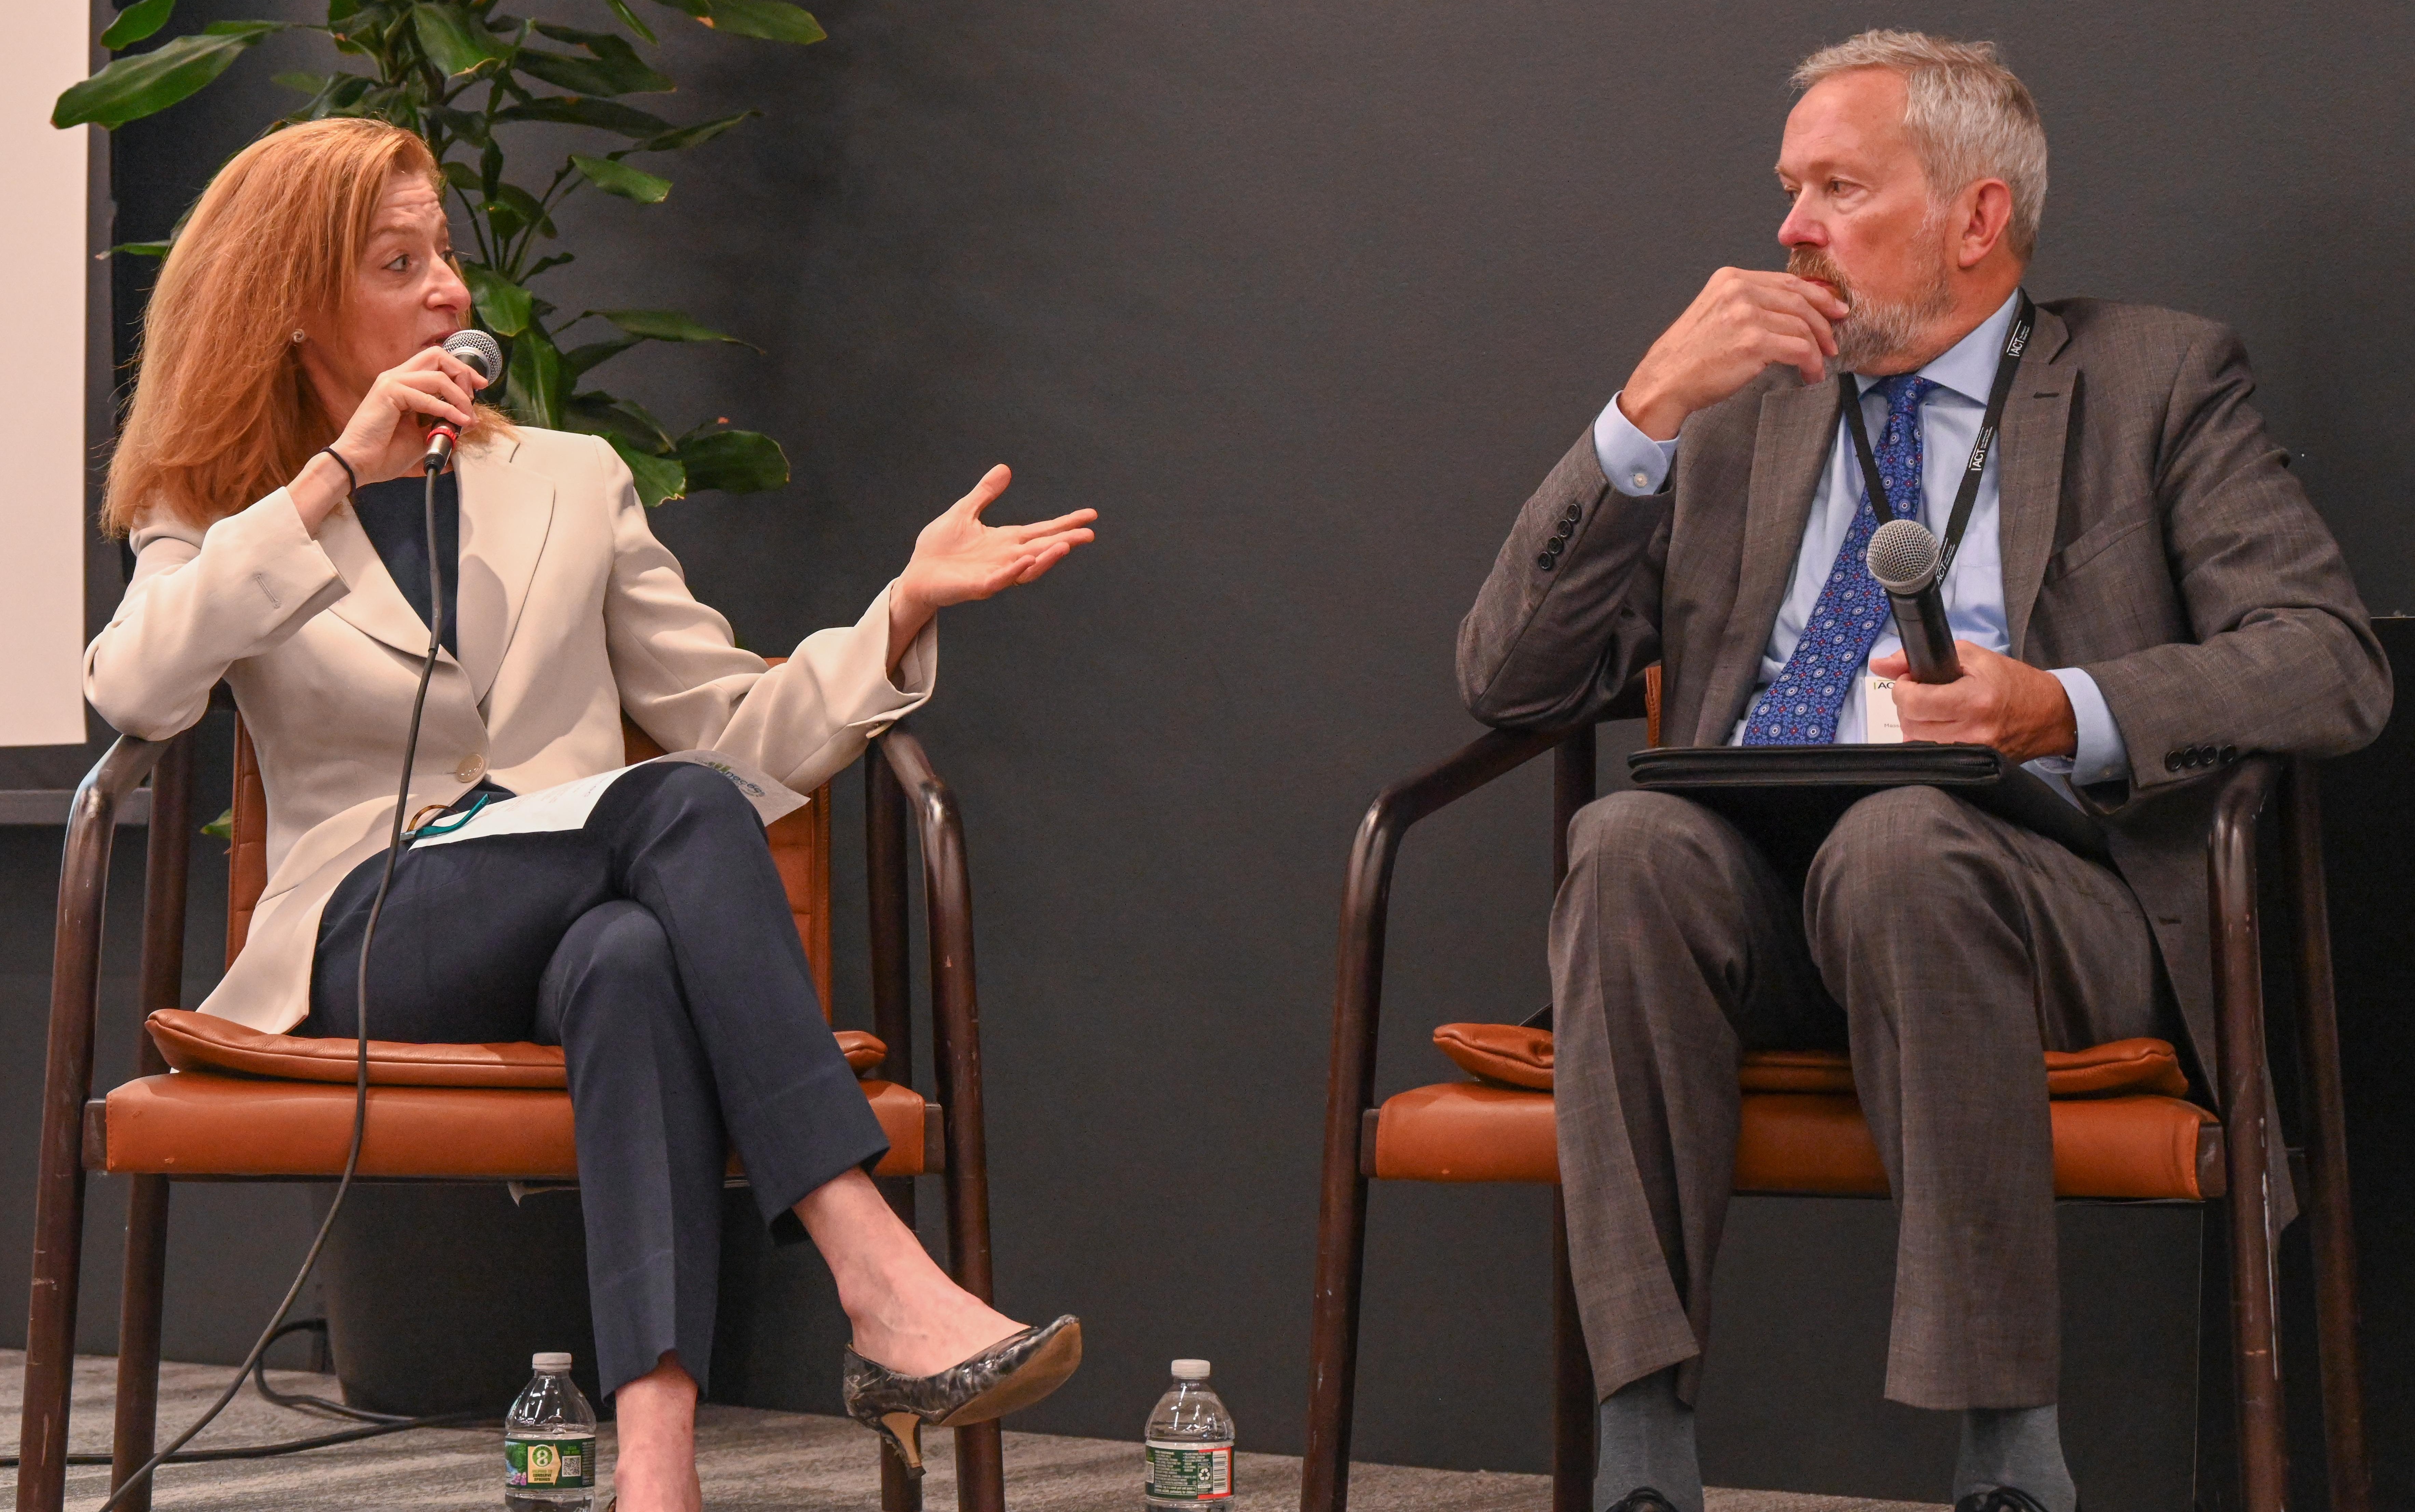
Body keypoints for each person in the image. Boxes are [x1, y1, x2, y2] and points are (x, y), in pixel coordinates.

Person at [83, 118, 1097, 1512]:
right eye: (398, 262)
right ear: (293, 303)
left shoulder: (570, 478)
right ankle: (874, 1269)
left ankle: (656, 1474)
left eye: (444, 250)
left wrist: (900, 609)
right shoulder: (215, 501)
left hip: (567, 909)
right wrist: (333, 482)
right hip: (375, 931)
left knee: (629, 954)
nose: (451, 288)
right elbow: (136, 689)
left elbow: (732, 734)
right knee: (669, 816)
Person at [1456, 30, 2387, 1512]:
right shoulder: (1739, 408)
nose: (1792, 228)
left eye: (1838, 188)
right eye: (1788, 189)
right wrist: (1641, 414)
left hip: (2035, 903)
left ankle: (2008, 1458)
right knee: (1627, 843)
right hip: (1750, 903)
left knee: (1900, 841)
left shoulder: (2152, 379)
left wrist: (2056, 707)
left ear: (1975, 218)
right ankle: (1640, 1463)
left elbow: (2327, 658)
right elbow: (1508, 680)